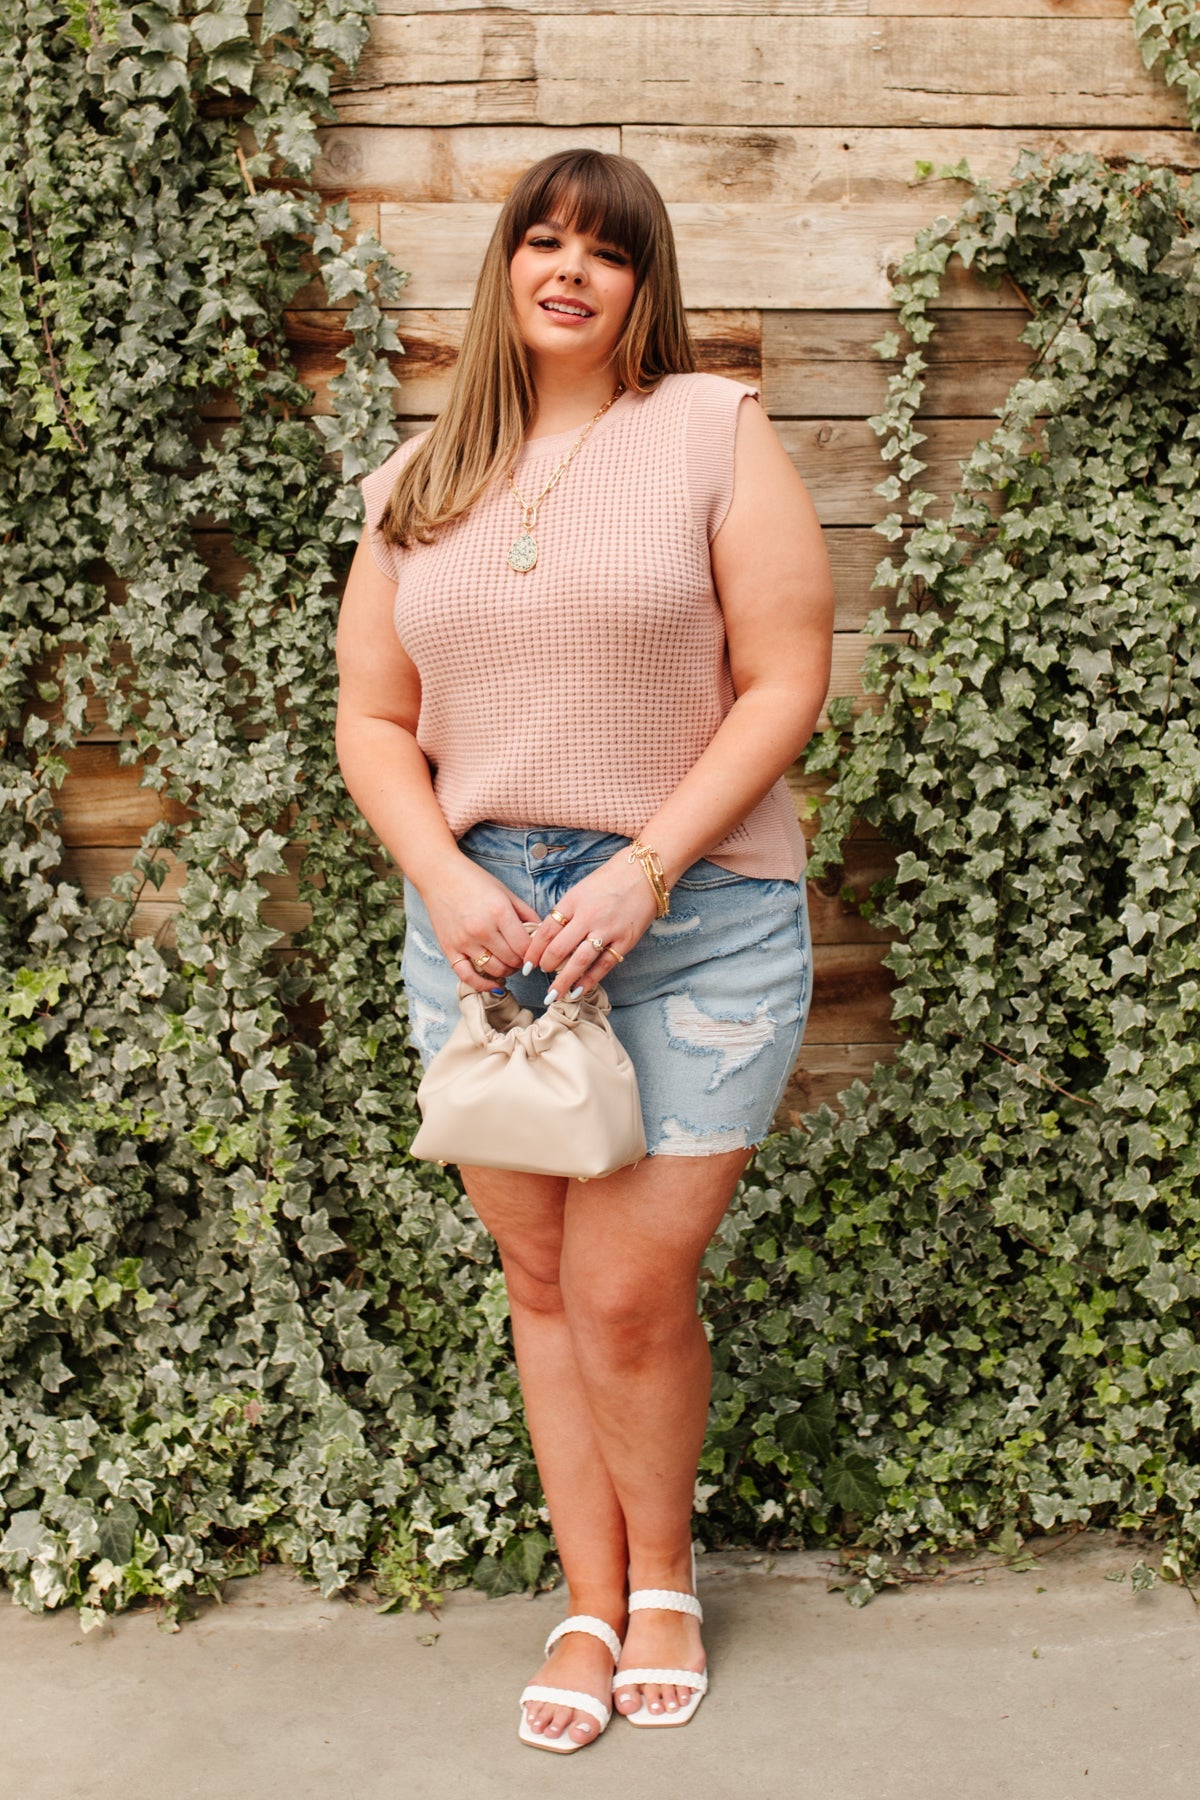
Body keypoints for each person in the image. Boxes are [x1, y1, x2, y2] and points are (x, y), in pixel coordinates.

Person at [335, 147, 833, 1754]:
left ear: (640, 284)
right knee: (543, 1282)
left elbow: (785, 678)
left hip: (694, 919)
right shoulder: (415, 484)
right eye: (542, 241)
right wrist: (438, 876)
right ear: (505, 268)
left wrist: (646, 865)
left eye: (604, 251)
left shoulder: (712, 431)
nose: (569, 269)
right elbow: (373, 718)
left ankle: (665, 1582)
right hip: (486, 937)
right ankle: (588, 1600)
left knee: (625, 1290)